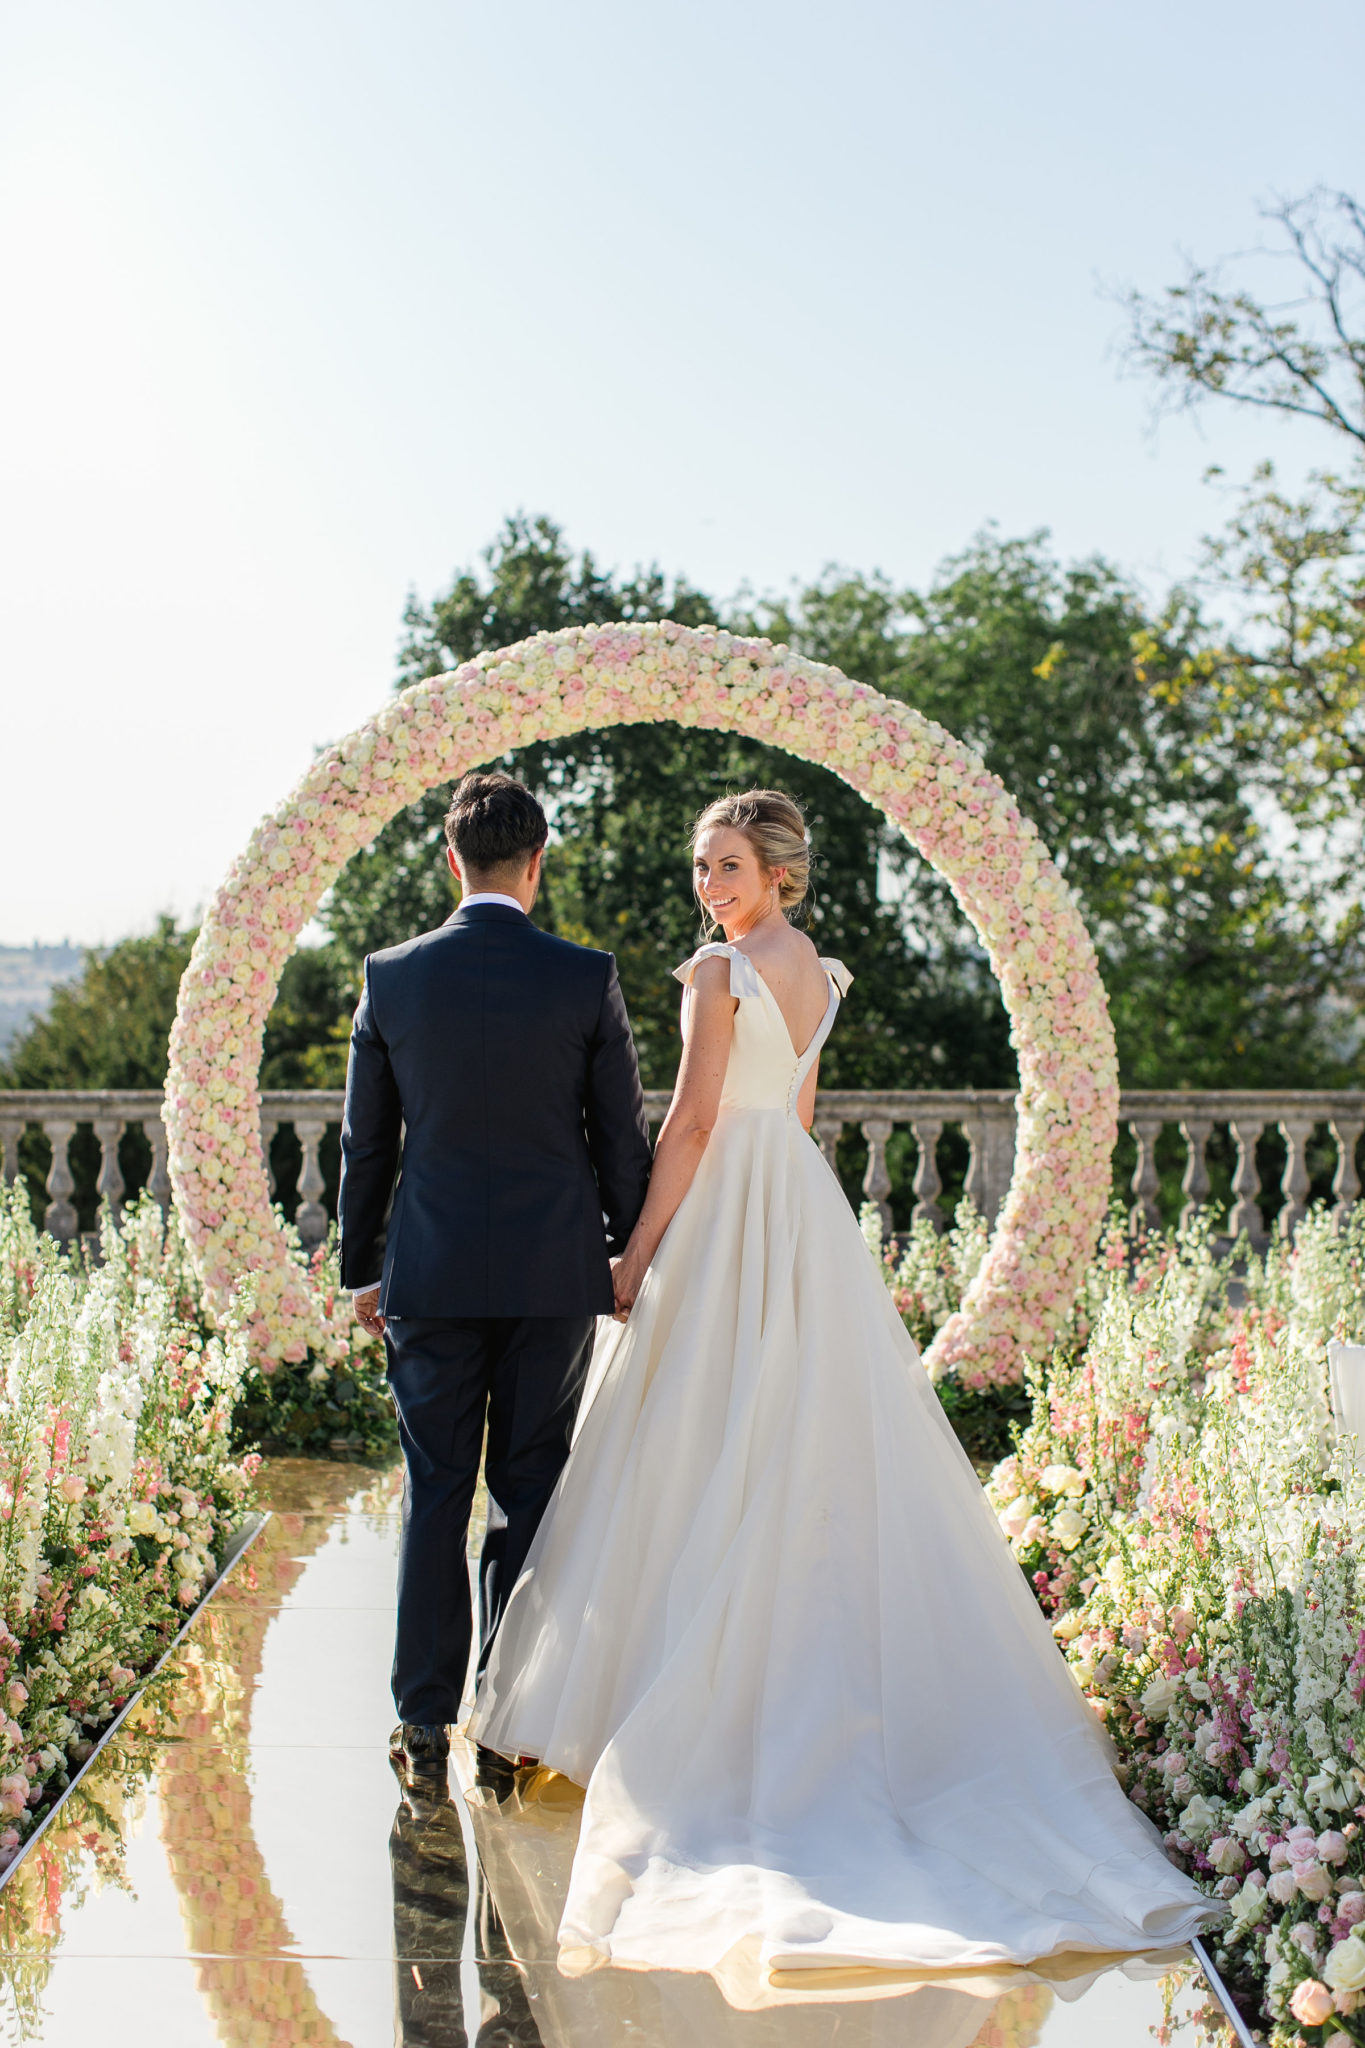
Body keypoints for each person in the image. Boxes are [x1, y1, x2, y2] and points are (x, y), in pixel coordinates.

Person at [470, 787, 1221, 1978]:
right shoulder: (813, 965)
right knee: (798, 1435)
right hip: (801, 1208)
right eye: (701, 867)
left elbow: (696, 1124)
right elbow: (797, 1114)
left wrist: (636, 1249)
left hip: (731, 1208)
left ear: (772, 869)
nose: (710, 886)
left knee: (691, 1433)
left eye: (726, 865)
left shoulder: (717, 972)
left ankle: (666, 1701)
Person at [338, 771, 653, 1784]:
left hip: (426, 1273)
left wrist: (360, 1266)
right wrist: (628, 1247)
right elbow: (621, 1134)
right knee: (530, 1489)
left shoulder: (391, 977)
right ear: (538, 862)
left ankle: (421, 1716)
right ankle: (511, 1716)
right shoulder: (583, 974)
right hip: (552, 1275)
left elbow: (364, 1146)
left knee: (436, 1489)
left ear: (452, 859)